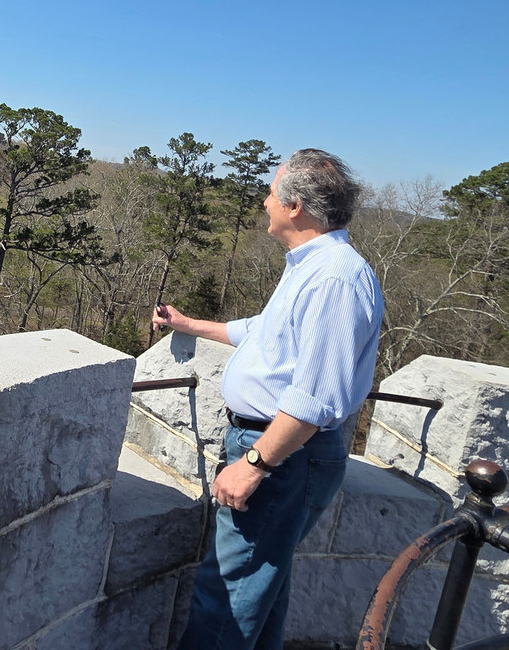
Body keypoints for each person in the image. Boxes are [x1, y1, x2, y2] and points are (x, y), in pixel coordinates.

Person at [152, 148, 384, 650]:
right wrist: (190, 326)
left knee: (227, 597)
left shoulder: (335, 279)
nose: (264, 201)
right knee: (262, 588)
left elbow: (317, 396)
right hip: (279, 453)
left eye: (271, 193)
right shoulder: (309, 266)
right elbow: (267, 336)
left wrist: (255, 463)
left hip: (281, 456)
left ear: (295, 205)